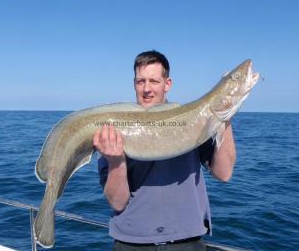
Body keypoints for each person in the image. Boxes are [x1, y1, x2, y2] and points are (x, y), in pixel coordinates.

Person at [93, 50, 236, 251]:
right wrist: (116, 162)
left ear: (167, 84)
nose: (146, 89)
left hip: (187, 241)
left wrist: (224, 117)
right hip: (132, 243)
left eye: (154, 81)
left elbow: (224, 173)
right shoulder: (115, 131)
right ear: (134, 84)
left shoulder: (194, 122)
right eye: (140, 81)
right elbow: (117, 202)